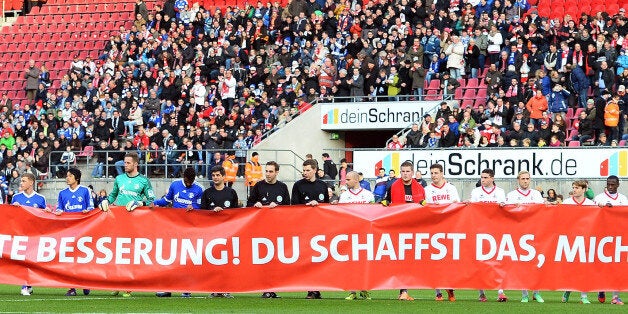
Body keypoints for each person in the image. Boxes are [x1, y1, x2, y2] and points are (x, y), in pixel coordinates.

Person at [99, 152, 155, 298]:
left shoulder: (143, 180)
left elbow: (151, 200)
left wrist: (139, 203)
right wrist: (106, 201)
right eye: (125, 162)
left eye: (128, 163)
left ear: (136, 164)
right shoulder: (119, 178)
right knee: (117, 252)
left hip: (135, 222)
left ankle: (128, 285)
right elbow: (113, 195)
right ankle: (117, 283)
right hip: (118, 220)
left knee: (130, 253)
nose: (125, 165)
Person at [154, 167, 204, 298]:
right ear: (183, 177)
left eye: (191, 181)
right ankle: (167, 288)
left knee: (187, 259)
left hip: (190, 229)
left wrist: (195, 207)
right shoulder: (175, 184)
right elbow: (167, 200)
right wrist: (154, 203)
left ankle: (186, 288)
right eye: (187, 181)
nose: (189, 183)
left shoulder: (199, 188)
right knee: (170, 258)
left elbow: (202, 207)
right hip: (174, 227)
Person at [246, 161, 290, 299]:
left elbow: (289, 207)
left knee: (275, 261)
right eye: (267, 171)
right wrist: (256, 204)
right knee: (264, 259)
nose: (268, 174)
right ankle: (265, 288)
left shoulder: (282, 187)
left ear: (277, 172)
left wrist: (278, 206)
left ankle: (274, 288)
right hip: (261, 230)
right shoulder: (259, 185)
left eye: (271, 171)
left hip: (277, 230)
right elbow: (249, 204)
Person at [384, 161, 426, 301]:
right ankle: (403, 290)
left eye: (408, 171)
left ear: (412, 173)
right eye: (403, 171)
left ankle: (404, 289)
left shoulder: (419, 188)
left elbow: (424, 206)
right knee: (400, 260)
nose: (405, 174)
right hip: (398, 227)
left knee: (410, 260)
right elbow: (387, 202)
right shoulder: (393, 186)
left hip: (414, 228)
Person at [504, 171, 545, 303]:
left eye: (527, 179)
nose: (525, 181)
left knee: (536, 263)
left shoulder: (536, 194)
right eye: (523, 179)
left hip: (535, 232)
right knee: (522, 264)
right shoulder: (511, 195)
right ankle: (524, 293)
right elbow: (507, 212)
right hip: (519, 233)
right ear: (518, 180)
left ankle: (536, 292)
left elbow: (541, 210)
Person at [291, 159, 329, 299]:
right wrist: (307, 206)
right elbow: (293, 206)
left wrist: (319, 206)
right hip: (304, 227)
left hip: (319, 227)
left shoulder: (322, 185)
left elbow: (326, 206)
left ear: (314, 170)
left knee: (319, 259)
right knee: (308, 259)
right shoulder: (298, 185)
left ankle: (317, 288)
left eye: (307, 170)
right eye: (304, 170)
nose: (305, 173)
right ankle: (311, 289)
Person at [52, 168, 94, 296]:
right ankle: (72, 288)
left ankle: (85, 282)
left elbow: (91, 206)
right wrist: (58, 212)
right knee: (69, 259)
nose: (67, 178)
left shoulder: (85, 190)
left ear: (76, 178)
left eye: (70, 176)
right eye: (67, 175)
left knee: (83, 258)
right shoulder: (63, 193)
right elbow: (59, 207)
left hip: (83, 229)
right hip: (69, 230)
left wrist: (88, 211)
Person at [200, 165, 239, 299]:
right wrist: (212, 212)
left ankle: (227, 288)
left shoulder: (231, 193)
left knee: (227, 262)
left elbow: (237, 213)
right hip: (211, 234)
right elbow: (202, 213)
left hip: (228, 234)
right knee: (213, 262)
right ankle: (214, 288)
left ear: (223, 176)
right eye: (213, 175)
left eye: (218, 175)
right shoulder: (207, 193)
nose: (215, 178)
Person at [468, 168, 507, 302]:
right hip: (479, 230)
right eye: (482, 177)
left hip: (496, 230)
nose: (482, 180)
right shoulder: (476, 192)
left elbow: (504, 209)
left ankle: (500, 291)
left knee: (498, 261)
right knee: (480, 262)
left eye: (485, 177)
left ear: (492, 178)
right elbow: (472, 209)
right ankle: (481, 293)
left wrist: (503, 206)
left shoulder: (500, 192)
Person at [423, 163, 459, 302]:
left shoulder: (451, 188)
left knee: (449, 261)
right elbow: (426, 209)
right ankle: (438, 292)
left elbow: (457, 206)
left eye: (436, 173)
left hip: (450, 228)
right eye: (431, 173)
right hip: (434, 228)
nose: (433, 176)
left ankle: (450, 288)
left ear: (442, 173)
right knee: (434, 261)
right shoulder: (427, 190)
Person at [339, 171, 375, 301]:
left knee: (365, 262)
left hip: (365, 234)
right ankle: (352, 290)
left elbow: (374, 213)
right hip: (350, 233)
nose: (345, 182)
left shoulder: (368, 195)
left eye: (348, 179)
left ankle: (365, 289)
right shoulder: (344, 196)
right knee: (351, 262)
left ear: (356, 180)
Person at [562, 180, 597, 304]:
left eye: (577, 187)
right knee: (571, 268)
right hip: (570, 240)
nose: (574, 189)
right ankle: (568, 289)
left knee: (585, 268)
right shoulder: (566, 202)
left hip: (585, 239)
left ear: (583, 189)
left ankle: (583, 296)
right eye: (573, 187)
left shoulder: (590, 204)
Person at [593, 175, 626, 305]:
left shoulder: (623, 199)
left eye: (613, 184)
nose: (610, 187)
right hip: (602, 235)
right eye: (608, 184)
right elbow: (591, 212)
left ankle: (615, 297)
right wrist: (601, 207)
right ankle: (601, 288)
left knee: (617, 265)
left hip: (618, 236)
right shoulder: (599, 198)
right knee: (602, 264)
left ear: (618, 185)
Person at [11, 173, 46, 296]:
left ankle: (28, 284)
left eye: (24, 181)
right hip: (20, 234)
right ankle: (25, 285)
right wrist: (13, 209)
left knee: (31, 261)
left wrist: (47, 211)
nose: (21, 183)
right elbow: (10, 217)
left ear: (31, 182)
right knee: (22, 260)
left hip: (34, 234)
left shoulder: (40, 198)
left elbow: (45, 217)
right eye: (21, 181)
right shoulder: (16, 197)